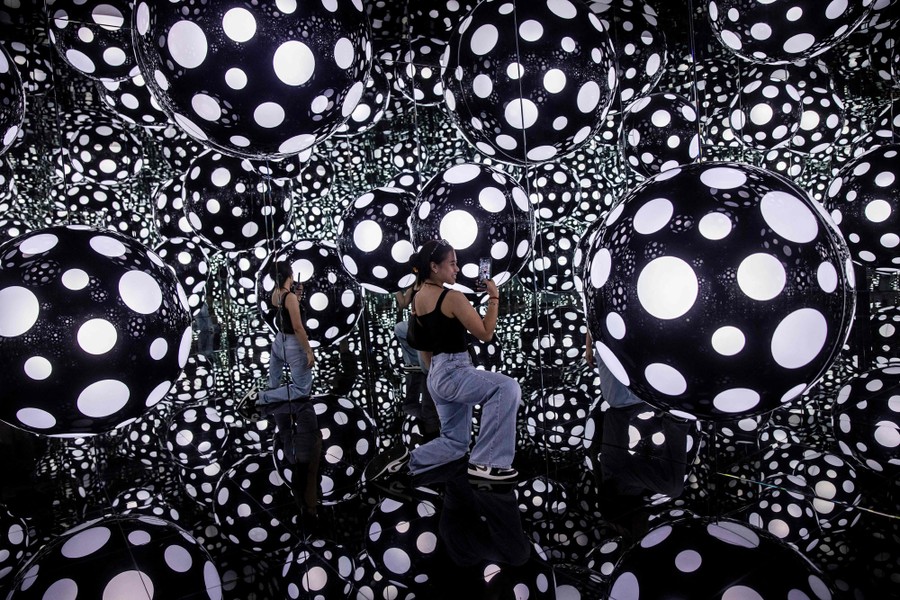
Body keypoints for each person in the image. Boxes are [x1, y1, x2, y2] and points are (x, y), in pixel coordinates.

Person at [406, 239, 522, 481]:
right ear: (434, 267)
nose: (457, 269)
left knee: (455, 443)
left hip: (436, 374)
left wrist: (436, 375)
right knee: (507, 387)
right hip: (454, 369)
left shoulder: (418, 296)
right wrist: (494, 298)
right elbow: (485, 333)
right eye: (452, 264)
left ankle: (409, 463)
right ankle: (486, 463)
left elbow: (424, 346)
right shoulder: (452, 297)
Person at [255, 261, 321, 525]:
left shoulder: (276, 294)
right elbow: (297, 327)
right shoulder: (290, 296)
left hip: (277, 343)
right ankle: (262, 398)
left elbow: (283, 310)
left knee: (275, 381)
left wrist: (297, 295)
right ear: (289, 275)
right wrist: (308, 350)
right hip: (292, 343)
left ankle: (269, 394)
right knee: (302, 389)